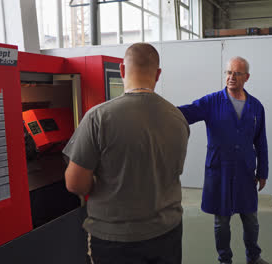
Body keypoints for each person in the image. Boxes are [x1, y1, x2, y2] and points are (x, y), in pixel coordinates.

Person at [62, 43, 190, 264]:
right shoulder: (177, 118)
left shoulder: (98, 118)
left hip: (115, 239)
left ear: (122, 70)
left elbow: (75, 184)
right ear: (158, 74)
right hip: (167, 233)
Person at [178, 56, 269, 264]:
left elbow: (261, 141)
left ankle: (253, 256)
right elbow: (187, 112)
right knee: (221, 222)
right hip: (220, 170)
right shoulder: (211, 102)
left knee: (251, 219)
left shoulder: (256, 107)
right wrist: (159, 110)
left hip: (246, 171)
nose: (231, 77)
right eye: (228, 72)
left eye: (236, 73)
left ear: (246, 77)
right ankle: (224, 259)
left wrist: (263, 171)